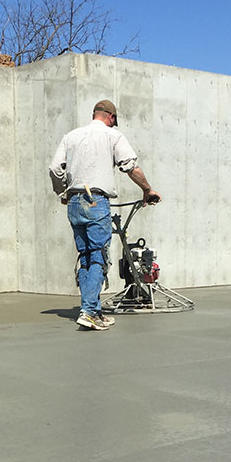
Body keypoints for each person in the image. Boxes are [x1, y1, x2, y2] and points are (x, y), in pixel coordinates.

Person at [49, 100, 161, 331]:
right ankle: (89, 312)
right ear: (110, 117)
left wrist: (62, 193)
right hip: (96, 200)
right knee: (98, 256)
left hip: (75, 201)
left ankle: (95, 310)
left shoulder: (71, 136)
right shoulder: (112, 135)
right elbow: (130, 167)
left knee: (86, 255)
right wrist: (147, 190)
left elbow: (55, 169)